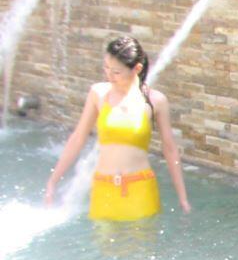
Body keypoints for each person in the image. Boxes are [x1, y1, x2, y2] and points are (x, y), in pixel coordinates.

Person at [45, 36, 190, 220]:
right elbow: (78, 138)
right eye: (106, 68)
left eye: (116, 72)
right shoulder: (98, 93)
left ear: (137, 69)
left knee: (141, 238)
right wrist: (53, 181)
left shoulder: (155, 101)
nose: (109, 75)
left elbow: (170, 149)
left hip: (140, 188)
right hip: (103, 188)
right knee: (102, 238)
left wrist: (182, 197)